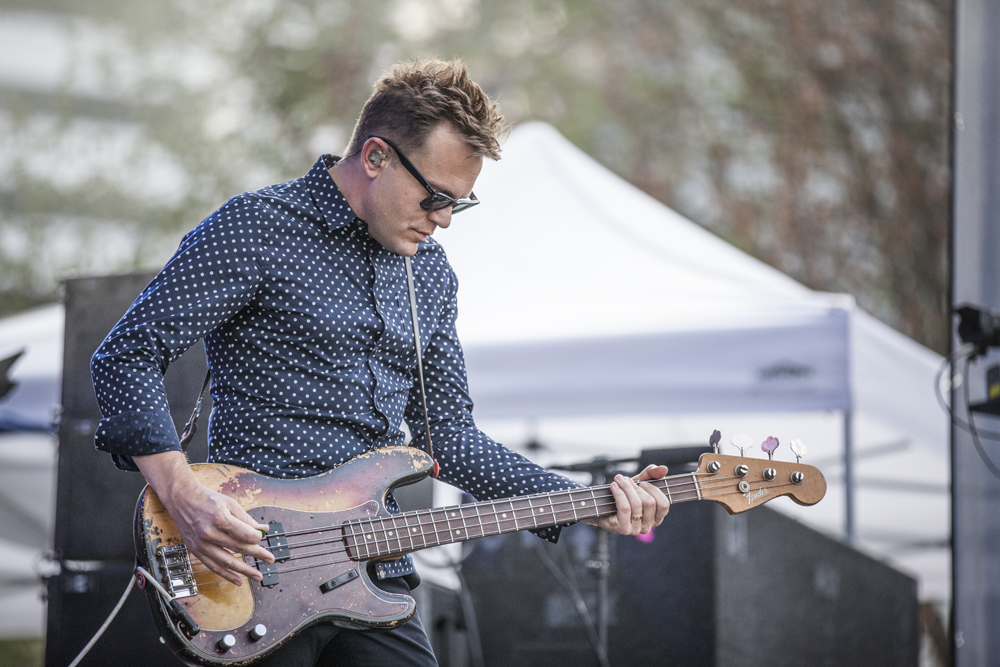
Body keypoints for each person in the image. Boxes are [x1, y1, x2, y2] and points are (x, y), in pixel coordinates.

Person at [91, 58, 670, 666]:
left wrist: (587, 502)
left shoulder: (430, 273)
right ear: (375, 157)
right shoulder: (258, 226)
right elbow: (126, 354)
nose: (443, 219)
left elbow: (448, 437)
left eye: (459, 205)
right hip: (252, 565)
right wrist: (182, 493)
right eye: (435, 196)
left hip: (373, 569)